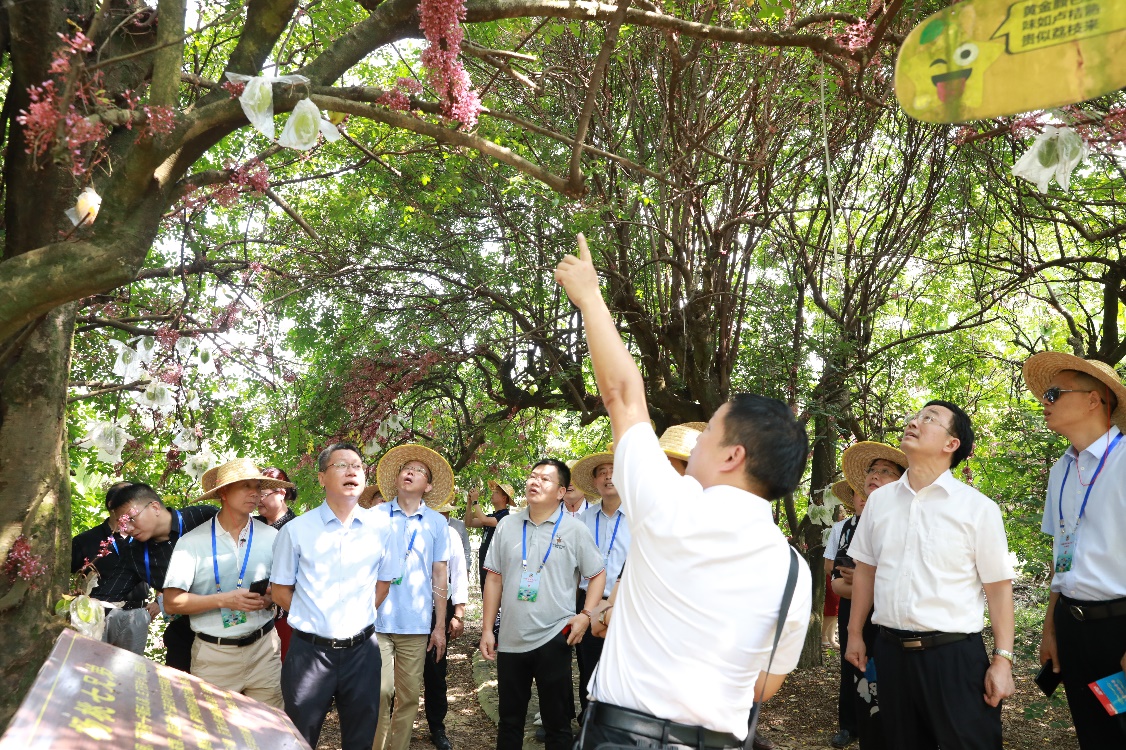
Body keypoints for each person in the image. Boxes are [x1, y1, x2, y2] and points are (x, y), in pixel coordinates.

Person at [555, 235, 812, 750]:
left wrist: (590, 298)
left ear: (732, 455)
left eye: (707, 432)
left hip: (621, 739)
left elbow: (623, 396)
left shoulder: (670, 507)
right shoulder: (795, 572)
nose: (692, 447)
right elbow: (766, 684)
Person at [845, 401, 1015, 750]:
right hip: (890, 651)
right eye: (915, 416)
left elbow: (998, 590)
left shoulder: (978, 508)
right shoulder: (879, 502)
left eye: (929, 419)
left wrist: (1003, 660)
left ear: (951, 444)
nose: (914, 422)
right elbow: (865, 570)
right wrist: (854, 634)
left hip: (953, 657)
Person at [1023, 353, 1126, 748]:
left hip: (1119, 625)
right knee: (1093, 733)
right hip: (1073, 624)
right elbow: (1061, 555)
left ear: (1093, 400)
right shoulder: (1061, 470)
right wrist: (1051, 627)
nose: (1044, 402)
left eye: (1053, 393)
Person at [271, 442, 402, 750]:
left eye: (357, 466)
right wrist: (318, 617)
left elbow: (384, 584)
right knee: (299, 738)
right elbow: (280, 591)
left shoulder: (382, 528)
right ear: (321, 478)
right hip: (309, 654)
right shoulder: (297, 531)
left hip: (363, 652)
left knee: (361, 738)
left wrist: (354, 618)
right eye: (341, 465)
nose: (351, 471)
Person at [480, 458, 606, 750]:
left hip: (555, 635)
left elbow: (597, 575)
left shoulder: (575, 531)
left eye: (545, 479)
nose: (534, 482)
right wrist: (488, 629)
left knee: (557, 724)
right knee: (509, 721)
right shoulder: (507, 525)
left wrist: (586, 615)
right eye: (532, 476)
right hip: (511, 638)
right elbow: (494, 579)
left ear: (561, 492)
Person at [162, 459, 292, 707]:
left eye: (258, 486)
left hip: (264, 650)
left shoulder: (273, 537)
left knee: (269, 729)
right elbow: (171, 602)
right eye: (245, 486)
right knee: (215, 735)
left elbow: (285, 588)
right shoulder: (192, 542)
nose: (254, 493)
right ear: (223, 492)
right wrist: (224, 599)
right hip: (214, 656)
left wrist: (269, 597)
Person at [372, 444, 453, 750]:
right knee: (380, 692)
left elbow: (439, 575)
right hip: (377, 620)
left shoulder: (436, 523)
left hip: (416, 625)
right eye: (407, 468)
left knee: (408, 697)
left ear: (428, 485)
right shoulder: (375, 515)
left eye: (419, 471)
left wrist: (440, 626)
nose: (410, 472)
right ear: (397, 478)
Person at [828, 443, 907, 750]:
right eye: (872, 471)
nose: (874, 476)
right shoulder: (851, 529)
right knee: (857, 676)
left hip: (898, 625)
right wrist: (865, 583)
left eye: (885, 471)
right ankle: (853, 726)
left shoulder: (910, 520)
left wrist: (867, 580)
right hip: (857, 617)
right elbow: (839, 582)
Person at [116, 482, 220, 671]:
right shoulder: (133, 553)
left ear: (155, 507)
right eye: (123, 523)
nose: (128, 528)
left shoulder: (204, 517)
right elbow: (111, 592)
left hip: (235, 625)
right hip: (186, 635)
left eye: (132, 519)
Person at [570, 449, 630, 718]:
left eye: (613, 471)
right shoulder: (584, 519)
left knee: (625, 666)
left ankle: (618, 727)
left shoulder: (639, 517)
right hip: (588, 602)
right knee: (589, 664)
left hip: (626, 603)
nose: (608, 477)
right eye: (601, 473)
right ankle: (589, 723)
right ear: (594, 483)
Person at [70, 481, 157, 654]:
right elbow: (66, 577)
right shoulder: (85, 540)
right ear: (112, 505)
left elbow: (164, 570)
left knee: (128, 672)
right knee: (91, 666)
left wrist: (158, 602)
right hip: (95, 615)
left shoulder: (146, 539)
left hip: (135, 615)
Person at [422, 494, 471, 750]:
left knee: (436, 672)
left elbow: (459, 574)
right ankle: (393, 725)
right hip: (408, 612)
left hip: (438, 612)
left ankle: (436, 727)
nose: (443, 517)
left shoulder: (451, 535)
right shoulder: (411, 529)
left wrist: (458, 614)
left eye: (446, 513)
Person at [257, 466, 298, 659]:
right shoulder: (251, 526)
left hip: (284, 617)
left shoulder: (297, 528)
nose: (259, 500)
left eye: (263, 494)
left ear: (281, 493)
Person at [466, 480, 514, 591]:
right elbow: (469, 522)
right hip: (484, 565)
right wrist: (469, 503)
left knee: (495, 604)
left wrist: (475, 501)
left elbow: (483, 519)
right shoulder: (492, 515)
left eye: (496, 492)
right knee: (486, 600)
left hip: (495, 568)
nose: (492, 494)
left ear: (504, 498)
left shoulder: (505, 516)